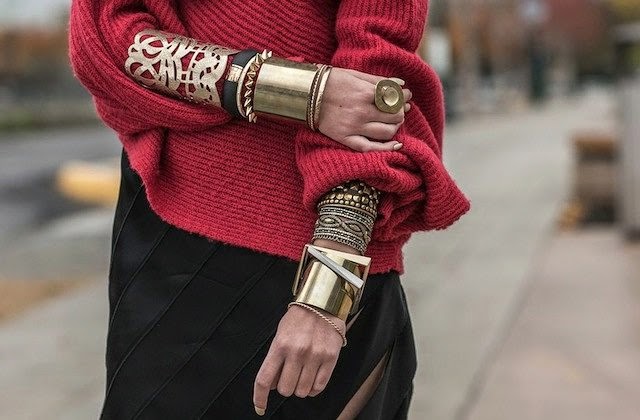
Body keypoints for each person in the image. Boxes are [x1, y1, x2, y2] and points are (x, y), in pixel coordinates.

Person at [69, 1, 469, 418]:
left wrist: (324, 299)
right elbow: (104, 40)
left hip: (309, 252)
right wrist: (303, 92)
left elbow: (375, 96)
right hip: (164, 237)